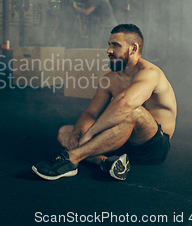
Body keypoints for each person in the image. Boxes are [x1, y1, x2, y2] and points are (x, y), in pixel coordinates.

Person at [32, 24, 176, 181]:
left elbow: (125, 103)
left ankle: (71, 159)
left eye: (116, 45)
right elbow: (90, 113)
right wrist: (78, 132)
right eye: (109, 44)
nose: (109, 50)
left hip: (152, 147)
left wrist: (90, 133)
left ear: (133, 49)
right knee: (66, 132)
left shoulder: (150, 74)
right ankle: (107, 162)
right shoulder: (110, 79)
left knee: (133, 111)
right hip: (122, 141)